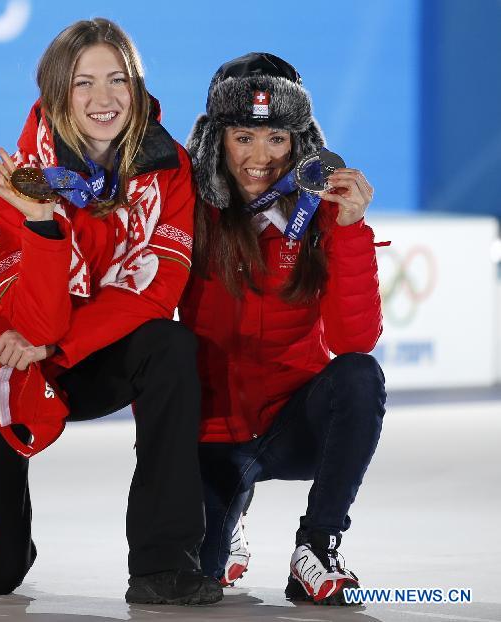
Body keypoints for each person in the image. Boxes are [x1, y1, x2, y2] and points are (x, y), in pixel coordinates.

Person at [0, 18, 222, 606]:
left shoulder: (169, 166)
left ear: (137, 86)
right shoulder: (17, 180)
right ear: (56, 94)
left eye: (117, 80)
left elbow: (155, 289)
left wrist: (61, 350)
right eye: (83, 83)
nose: (104, 99)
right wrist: (42, 224)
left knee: (170, 347)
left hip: (72, 355)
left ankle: (162, 564)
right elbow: (33, 324)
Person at [179, 52, 387, 605]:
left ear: (300, 144)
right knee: (196, 579)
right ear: (215, 140)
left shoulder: (321, 210)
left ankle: (316, 548)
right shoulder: (185, 208)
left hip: (295, 426)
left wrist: (348, 229)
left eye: (277, 138)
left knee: (360, 375)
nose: (260, 158)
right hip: (214, 434)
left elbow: (353, 342)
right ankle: (229, 513)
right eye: (244, 136)